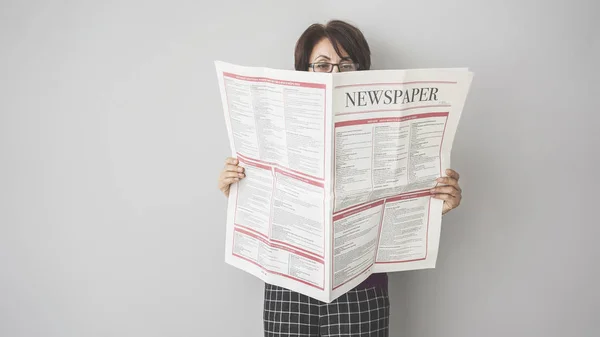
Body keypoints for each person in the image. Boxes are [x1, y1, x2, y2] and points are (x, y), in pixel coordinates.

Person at [217, 20, 463, 337]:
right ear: (304, 71)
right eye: (322, 65)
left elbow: (399, 201)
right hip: (288, 283)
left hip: (361, 285)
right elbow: (265, 203)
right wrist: (237, 189)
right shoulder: (275, 128)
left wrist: (435, 207)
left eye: (345, 65)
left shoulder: (392, 130)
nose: (334, 74)